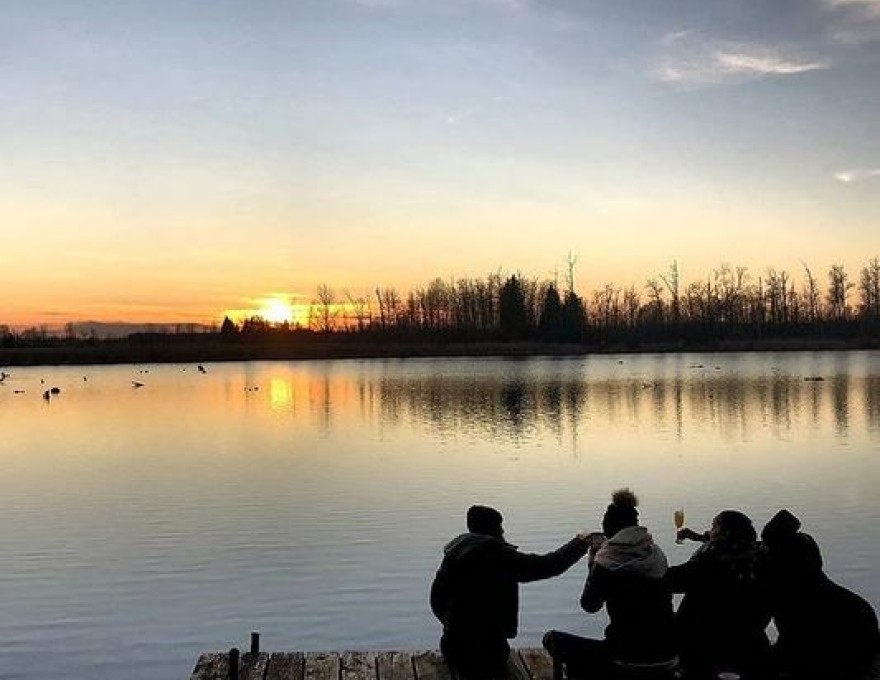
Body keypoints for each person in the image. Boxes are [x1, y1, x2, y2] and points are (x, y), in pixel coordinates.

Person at [430, 504, 593, 679]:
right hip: (486, 653)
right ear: (493, 530)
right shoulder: (496, 556)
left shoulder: (454, 554)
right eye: (500, 526)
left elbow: (436, 600)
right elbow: (547, 565)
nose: (503, 530)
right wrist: (579, 543)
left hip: (451, 645)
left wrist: (453, 624)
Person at [543, 489, 679, 679]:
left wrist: (593, 565)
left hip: (625, 660)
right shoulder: (656, 554)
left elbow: (590, 606)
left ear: (608, 527)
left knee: (552, 639)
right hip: (669, 657)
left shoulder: (607, 562)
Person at [761, 509, 880, 680]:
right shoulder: (804, 546)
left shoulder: (794, 600)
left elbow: (793, 646)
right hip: (855, 662)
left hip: (825, 666)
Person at [668, 510, 771, 680]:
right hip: (750, 639)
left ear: (726, 533)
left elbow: (673, 581)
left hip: (705, 642)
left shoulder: (711, 560)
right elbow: (731, 542)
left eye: (713, 526)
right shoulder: (758, 553)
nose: (710, 530)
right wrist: (700, 537)